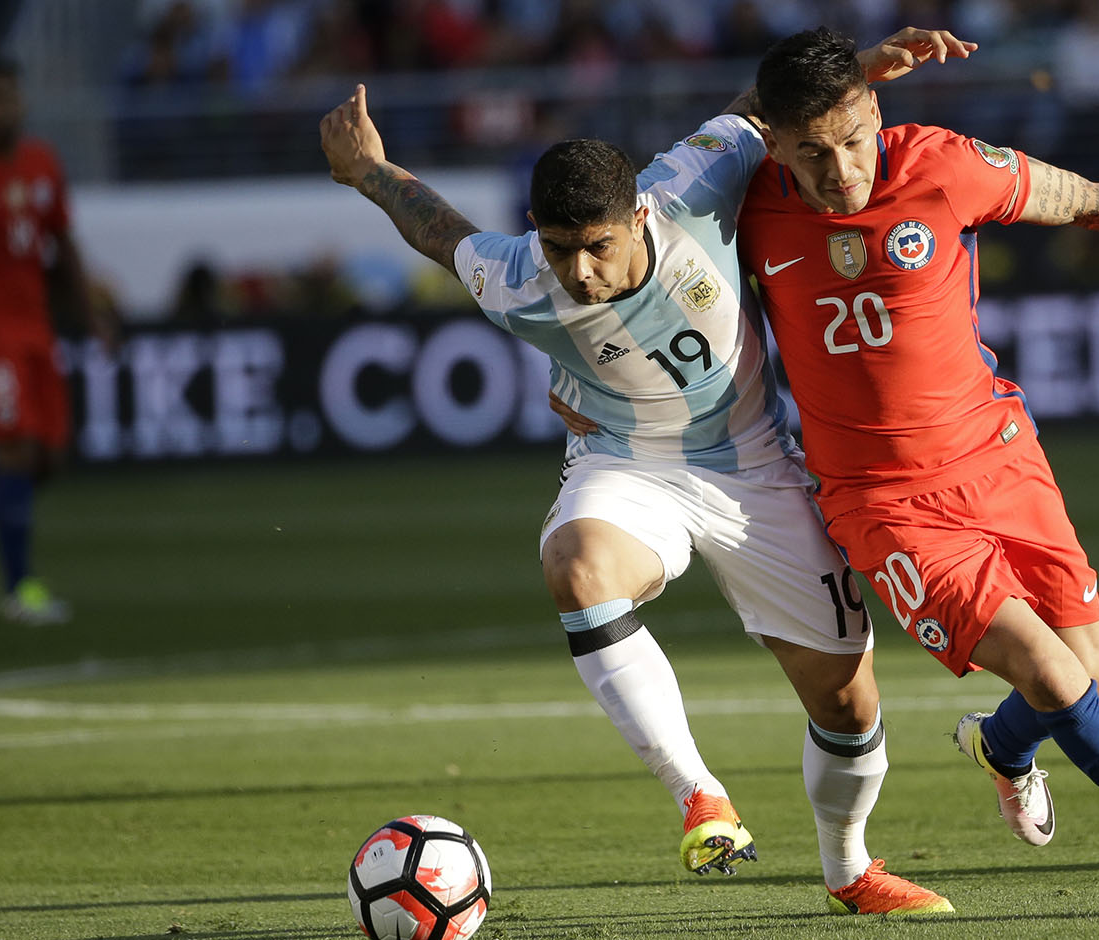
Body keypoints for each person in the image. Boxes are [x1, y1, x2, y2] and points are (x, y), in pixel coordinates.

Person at [319, 28, 975, 916]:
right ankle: (699, 797)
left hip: (754, 465)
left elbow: (767, 109)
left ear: (637, 218)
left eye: (596, 245)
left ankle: (849, 871)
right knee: (576, 567)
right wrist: (368, 172)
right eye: (558, 248)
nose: (578, 272)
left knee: (848, 705)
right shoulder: (517, 278)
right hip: (627, 462)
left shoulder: (694, 183)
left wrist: (859, 71)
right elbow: (441, 233)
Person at [735, 27, 1099, 914]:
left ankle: (1002, 748)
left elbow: (1090, 199)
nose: (840, 170)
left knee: (1088, 672)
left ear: (876, 113)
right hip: (883, 503)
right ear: (774, 142)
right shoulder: (743, 204)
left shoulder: (940, 166)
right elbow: (659, 221)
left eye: (852, 140)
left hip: (998, 455)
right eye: (811, 152)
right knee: (1053, 677)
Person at [0, 57, 113, 626]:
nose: (8, 107)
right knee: (15, 450)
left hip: (37, 329)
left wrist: (91, 317)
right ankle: (21, 587)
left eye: (12, 96)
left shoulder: (42, 162)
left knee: (48, 454)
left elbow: (62, 245)